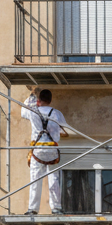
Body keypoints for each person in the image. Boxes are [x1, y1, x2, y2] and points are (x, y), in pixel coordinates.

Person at [21, 87, 70, 215]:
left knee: (35, 180)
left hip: (38, 150)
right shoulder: (57, 113)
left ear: (40, 100)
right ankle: (56, 208)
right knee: (53, 179)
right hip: (52, 149)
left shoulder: (33, 112)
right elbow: (65, 131)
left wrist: (31, 95)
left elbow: (22, 110)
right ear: (50, 100)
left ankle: (32, 209)